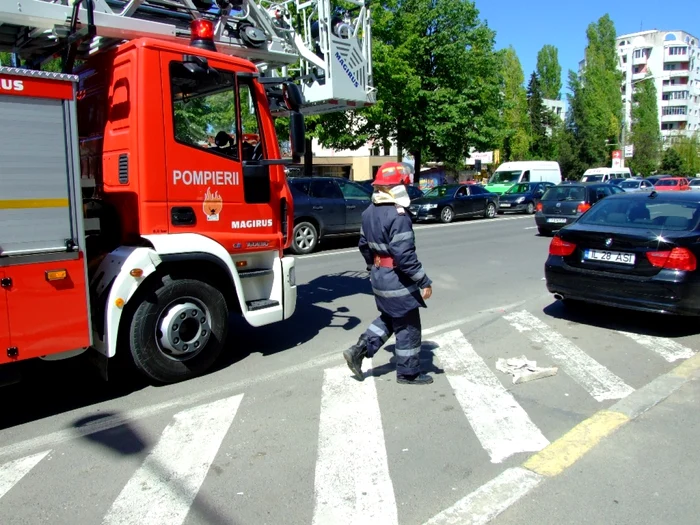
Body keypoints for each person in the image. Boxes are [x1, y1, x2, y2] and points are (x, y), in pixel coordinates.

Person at [343, 162, 434, 385]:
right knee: (408, 325)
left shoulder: (369, 212)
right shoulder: (398, 215)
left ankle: (359, 350)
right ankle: (409, 373)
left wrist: (373, 266)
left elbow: (364, 245)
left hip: (379, 275)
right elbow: (404, 256)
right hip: (396, 278)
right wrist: (423, 280)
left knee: (390, 317)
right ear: (398, 187)